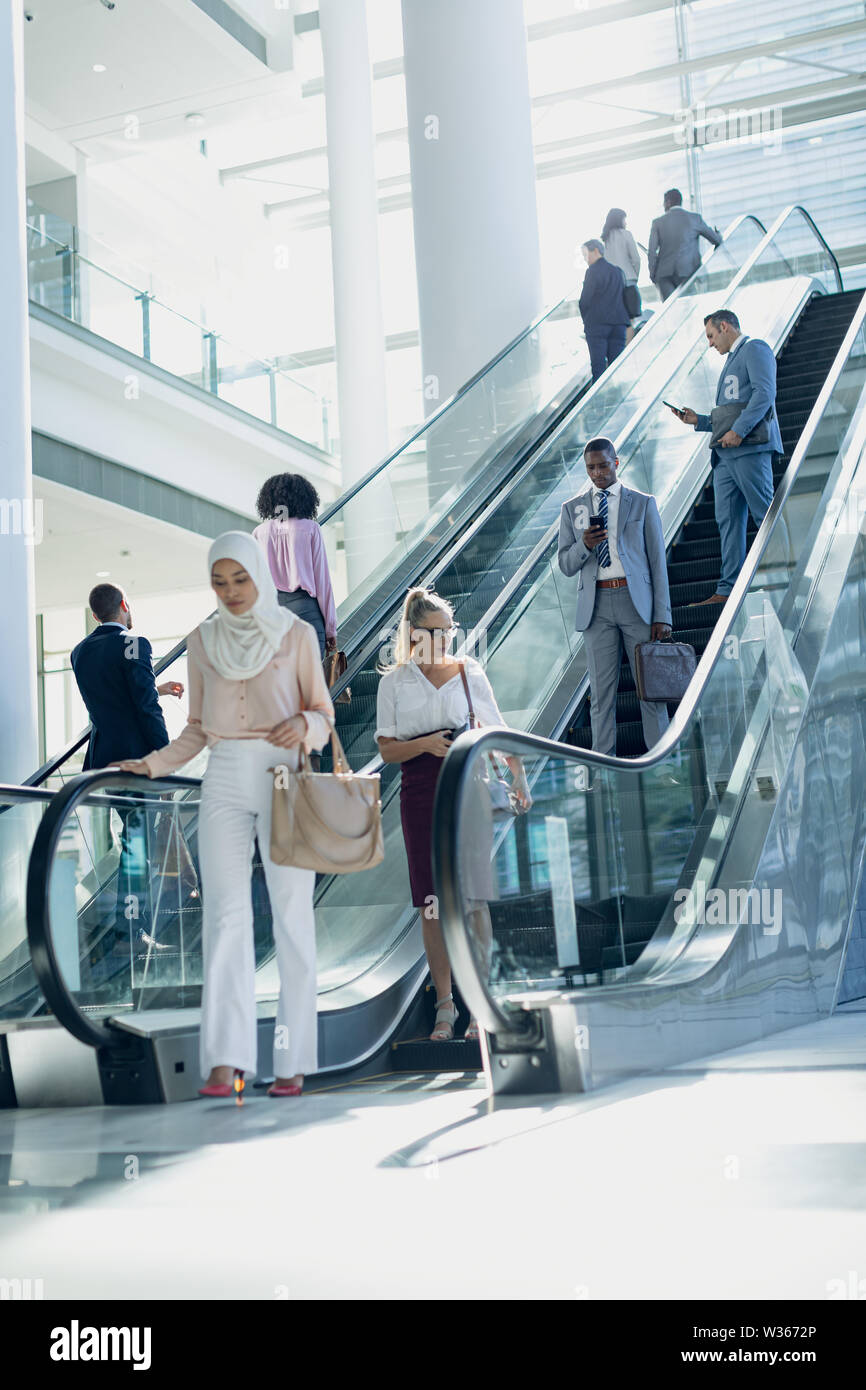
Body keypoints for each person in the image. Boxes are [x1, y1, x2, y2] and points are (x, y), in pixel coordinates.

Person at [117, 532, 335, 1099]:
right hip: (222, 775)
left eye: (240, 579)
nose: (232, 591)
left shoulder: (296, 634)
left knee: (291, 916)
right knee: (223, 918)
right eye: (220, 581)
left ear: (259, 575)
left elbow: (323, 711)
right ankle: (226, 1062)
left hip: (285, 774)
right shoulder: (202, 640)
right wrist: (153, 764)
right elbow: (196, 728)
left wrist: (304, 727)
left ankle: (292, 1061)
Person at [375, 588, 531, 1042]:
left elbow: (494, 727)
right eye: (435, 633)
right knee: (431, 904)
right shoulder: (394, 682)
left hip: (468, 786)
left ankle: (479, 1003)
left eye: (448, 632)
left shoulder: (468, 671)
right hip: (420, 790)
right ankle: (445, 1006)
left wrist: (518, 776)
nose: (444, 640)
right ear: (413, 634)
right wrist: (426, 743)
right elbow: (386, 748)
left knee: (473, 898)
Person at [70, 584, 184, 966]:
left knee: (135, 842)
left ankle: (129, 931)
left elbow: (115, 697)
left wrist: (157, 685)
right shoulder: (135, 642)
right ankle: (129, 934)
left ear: (94, 616)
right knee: (138, 847)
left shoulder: (79, 652)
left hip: (104, 763)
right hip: (138, 763)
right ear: (123, 606)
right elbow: (144, 707)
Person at [557, 438, 672, 757]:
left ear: (616, 463)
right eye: (591, 467)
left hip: (637, 605)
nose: (597, 473)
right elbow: (566, 565)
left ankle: (660, 759)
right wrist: (585, 546)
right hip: (596, 610)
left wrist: (662, 614)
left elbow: (657, 562)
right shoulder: (572, 509)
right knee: (602, 694)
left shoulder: (643, 502)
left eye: (603, 465)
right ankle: (602, 764)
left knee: (650, 690)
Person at [668, 309, 783, 605]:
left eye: (710, 335)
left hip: (748, 449)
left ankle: (786, 576)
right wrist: (700, 421)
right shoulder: (732, 360)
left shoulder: (754, 348)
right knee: (728, 522)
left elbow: (764, 393)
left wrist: (740, 431)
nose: (709, 343)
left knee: (765, 514)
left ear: (724, 326)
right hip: (725, 455)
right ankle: (727, 589)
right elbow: (730, 411)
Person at [253, 472, 337, 661]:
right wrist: (331, 628)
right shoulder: (310, 529)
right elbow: (323, 583)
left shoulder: (259, 533)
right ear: (304, 498)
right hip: (306, 611)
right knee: (309, 682)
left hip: (272, 613)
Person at [647, 188, 722, 301]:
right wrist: (718, 235)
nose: (663, 205)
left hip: (664, 274)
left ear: (668, 202)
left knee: (670, 310)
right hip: (688, 272)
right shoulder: (695, 218)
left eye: (664, 203)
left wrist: (653, 274)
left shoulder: (657, 223)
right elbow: (716, 240)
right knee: (687, 307)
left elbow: (652, 252)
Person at [579, 239, 631, 383]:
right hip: (618, 325)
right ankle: (618, 398)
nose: (585, 259)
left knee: (598, 366)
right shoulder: (617, 271)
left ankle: (601, 404)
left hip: (597, 325)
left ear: (595, 251)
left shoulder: (592, 272)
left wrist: (587, 322)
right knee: (617, 367)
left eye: (586, 255)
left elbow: (585, 300)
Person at [601, 208, 641, 342]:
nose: (626, 222)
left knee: (617, 322)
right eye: (624, 219)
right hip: (628, 282)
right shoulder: (626, 234)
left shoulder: (605, 240)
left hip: (611, 287)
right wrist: (635, 275)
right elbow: (636, 259)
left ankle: (618, 354)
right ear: (620, 220)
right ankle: (628, 351)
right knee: (629, 320)